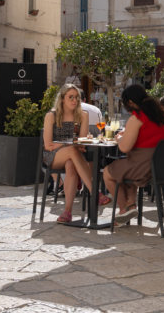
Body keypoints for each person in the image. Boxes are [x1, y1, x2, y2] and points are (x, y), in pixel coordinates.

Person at [103, 84, 164, 225]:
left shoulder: (137, 118)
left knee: (108, 173)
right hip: (162, 168)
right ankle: (131, 204)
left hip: (144, 166)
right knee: (125, 169)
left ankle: (123, 210)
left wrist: (119, 137)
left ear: (130, 103)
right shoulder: (160, 116)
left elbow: (124, 148)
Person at [42, 83, 109, 223]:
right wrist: (70, 142)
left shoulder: (82, 116)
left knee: (71, 164)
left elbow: (81, 142)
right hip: (52, 155)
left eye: (77, 98)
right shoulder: (52, 115)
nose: (74, 100)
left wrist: (64, 142)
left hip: (72, 154)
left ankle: (67, 212)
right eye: (70, 97)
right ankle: (95, 192)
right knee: (72, 151)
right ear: (62, 99)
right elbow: (48, 145)